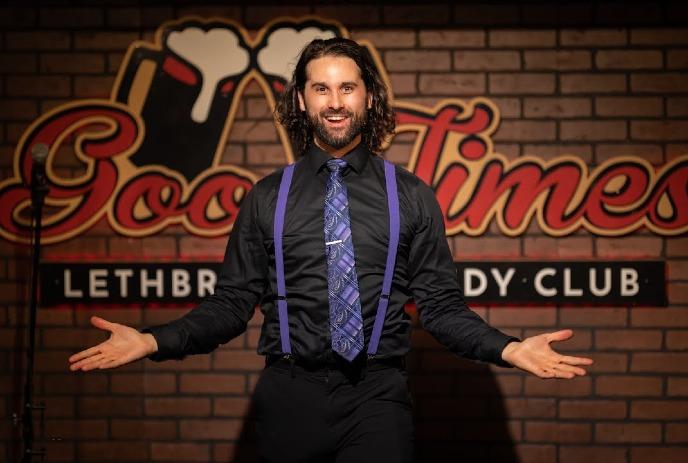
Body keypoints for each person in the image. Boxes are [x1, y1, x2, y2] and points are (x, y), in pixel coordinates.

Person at [69, 38, 593, 462]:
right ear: (302, 100)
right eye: (321, 88)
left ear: (368, 97)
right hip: (288, 395)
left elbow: (440, 307)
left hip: (378, 397)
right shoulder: (267, 197)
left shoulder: (410, 195)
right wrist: (153, 341)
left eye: (348, 88)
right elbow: (230, 306)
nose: (335, 102)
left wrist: (510, 348)